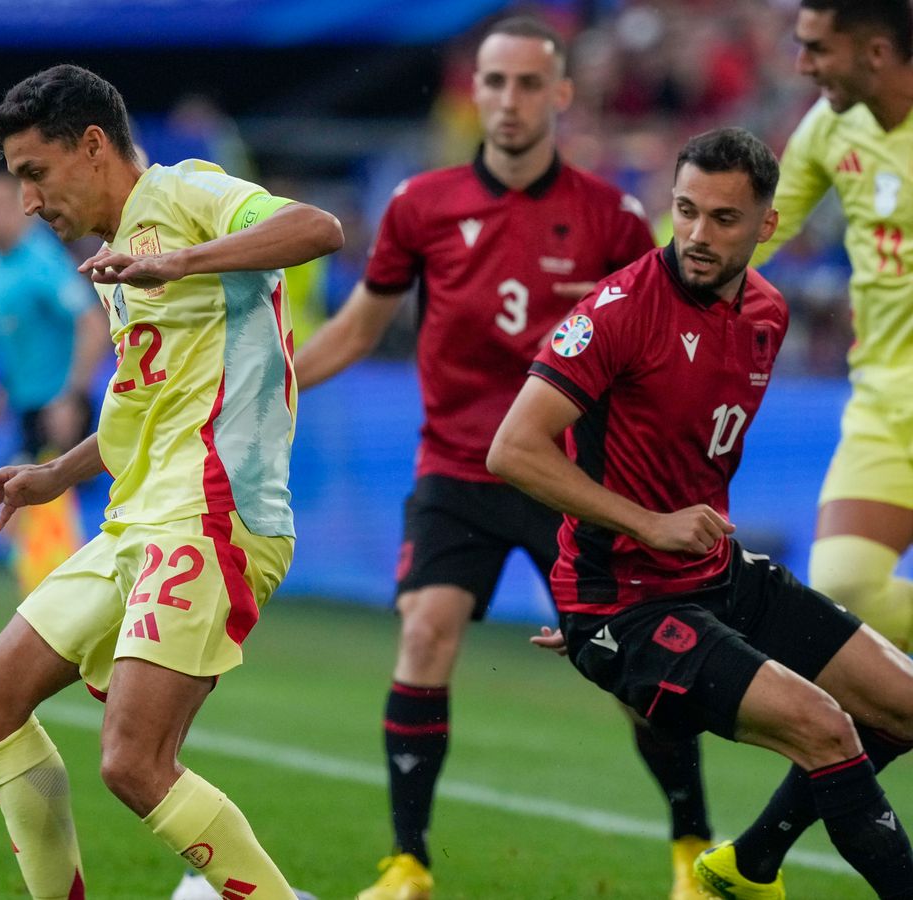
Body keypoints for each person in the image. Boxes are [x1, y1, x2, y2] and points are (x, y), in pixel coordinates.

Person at [293, 17, 710, 900]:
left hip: (571, 483)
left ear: (561, 95)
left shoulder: (612, 218)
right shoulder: (421, 206)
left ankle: (690, 850)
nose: (509, 101)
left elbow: (652, 352)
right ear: (472, 92)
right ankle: (408, 863)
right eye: (494, 83)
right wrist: (274, 383)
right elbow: (359, 328)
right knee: (425, 631)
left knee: (631, 673)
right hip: (455, 468)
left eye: (528, 84)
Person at [0, 64, 342, 900]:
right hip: (138, 520)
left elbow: (319, 228)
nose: (27, 201)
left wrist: (188, 261)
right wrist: (53, 473)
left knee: (133, 762)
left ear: (92, 146)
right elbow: (146, 408)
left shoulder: (190, 192)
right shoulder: (115, 260)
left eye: (34, 174)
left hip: (215, 513)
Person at [489, 126, 913, 899]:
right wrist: (614, 588)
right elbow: (513, 449)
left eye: (722, 218)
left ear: (765, 225)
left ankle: (748, 867)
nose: (696, 234)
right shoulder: (617, 311)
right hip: (628, 601)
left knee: (903, 705)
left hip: (714, 578)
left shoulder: (768, 315)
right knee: (825, 728)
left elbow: (684, 457)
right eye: (685, 210)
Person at [749, 0, 913, 649]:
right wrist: (633, 279)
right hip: (885, 401)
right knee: (845, 589)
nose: (802, 64)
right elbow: (754, 230)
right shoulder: (828, 127)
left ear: (874, 53)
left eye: (818, 49)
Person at [0, 171, 104, 463]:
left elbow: (93, 324)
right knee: (23, 499)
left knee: (27, 498)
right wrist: (2, 388)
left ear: (21, 209)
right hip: (25, 405)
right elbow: (15, 333)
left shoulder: (43, 260)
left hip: (57, 408)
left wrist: (73, 399)